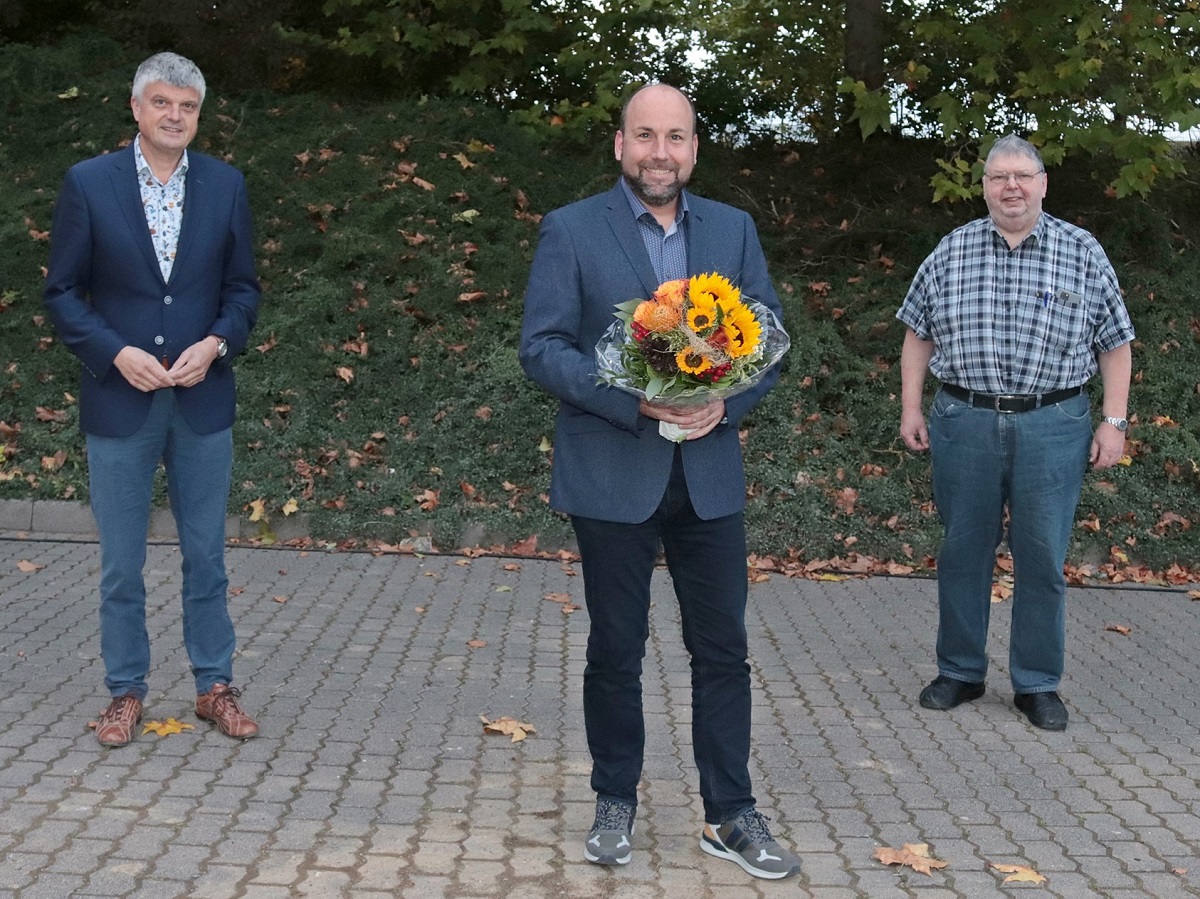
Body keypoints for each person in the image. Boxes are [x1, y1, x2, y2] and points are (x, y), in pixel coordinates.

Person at [519, 83, 800, 880]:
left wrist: (728, 398)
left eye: (675, 137)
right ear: (619, 145)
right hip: (614, 470)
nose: (660, 153)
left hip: (708, 476)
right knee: (615, 649)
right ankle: (615, 798)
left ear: (694, 148)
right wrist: (629, 399)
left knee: (723, 650)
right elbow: (541, 347)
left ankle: (730, 813)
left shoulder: (733, 229)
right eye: (645, 136)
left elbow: (771, 335)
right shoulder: (572, 230)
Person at [44, 52, 261, 747]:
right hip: (120, 399)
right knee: (119, 562)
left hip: (201, 400)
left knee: (207, 554)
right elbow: (61, 294)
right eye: (163, 103)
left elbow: (244, 289)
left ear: (200, 114)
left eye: (188, 106)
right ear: (136, 108)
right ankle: (125, 691)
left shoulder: (226, 187)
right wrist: (114, 352)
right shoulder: (88, 184)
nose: (175, 116)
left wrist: (218, 343)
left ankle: (213, 685)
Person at [897, 135, 1134, 732]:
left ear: (1043, 183)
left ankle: (1036, 684)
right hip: (965, 421)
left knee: (1042, 560)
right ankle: (960, 671)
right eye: (999, 177)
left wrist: (1113, 420)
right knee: (962, 552)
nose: (1011, 187)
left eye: (1022, 176)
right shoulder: (951, 251)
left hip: (1054, 425)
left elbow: (1116, 343)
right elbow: (918, 335)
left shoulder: (1081, 252)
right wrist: (911, 407)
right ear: (984, 187)